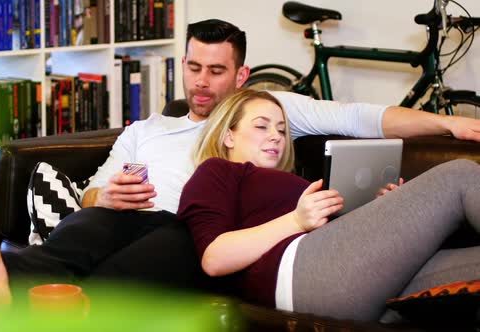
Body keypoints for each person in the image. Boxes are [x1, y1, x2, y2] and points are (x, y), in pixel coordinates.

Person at [0, 18, 480, 307]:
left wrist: (448, 123)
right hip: (136, 218)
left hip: (199, 231)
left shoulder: (262, 114)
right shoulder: (145, 130)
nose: (201, 84)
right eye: (192, 68)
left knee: (170, 234)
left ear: (241, 77)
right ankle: (2, 278)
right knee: (96, 223)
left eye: (215, 71)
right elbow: (96, 189)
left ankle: (36, 302)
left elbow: (357, 116)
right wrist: (101, 195)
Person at [177, 88, 480, 322]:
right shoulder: (217, 170)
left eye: (282, 130)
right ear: (229, 135)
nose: (276, 137)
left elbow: (337, 237)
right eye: (262, 126)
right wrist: (296, 221)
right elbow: (214, 258)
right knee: (458, 175)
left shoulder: (291, 180)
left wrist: (386, 212)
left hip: (347, 273)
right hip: (299, 277)